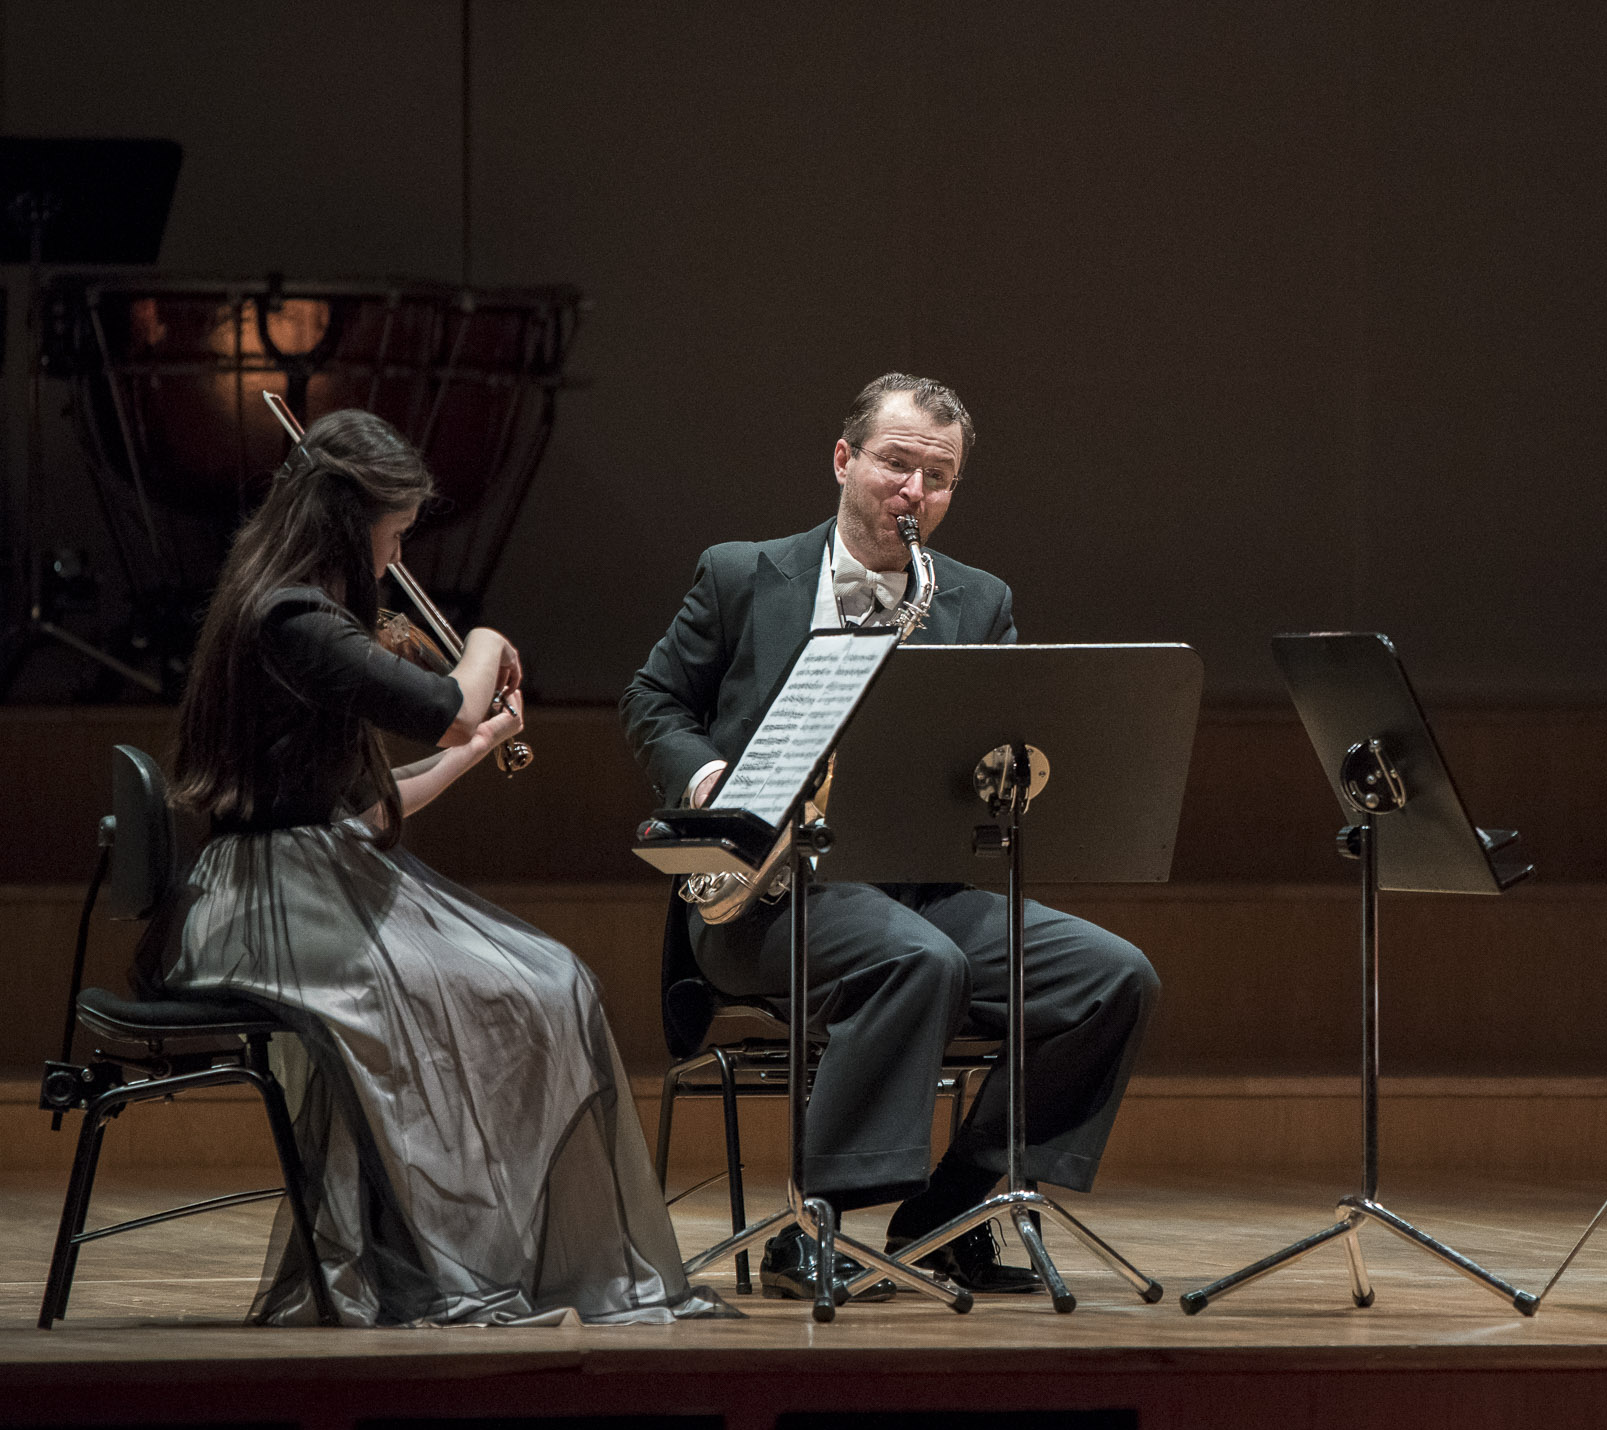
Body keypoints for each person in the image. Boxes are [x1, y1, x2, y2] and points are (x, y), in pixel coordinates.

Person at [154, 408, 727, 1326]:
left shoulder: (298, 612)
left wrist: (480, 743)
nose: (395, 554)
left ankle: (478, 1247)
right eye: (397, 531)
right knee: (514, 996)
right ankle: (446, 1253)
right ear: (353, 520)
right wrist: (488, 642)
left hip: (308, 875)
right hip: (271, 905)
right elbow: (446, 706)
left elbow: (371, 807)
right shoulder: (293, 616)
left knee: (552, 980)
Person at [621, 373, 1160, 1300]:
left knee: (1112, 979)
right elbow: (653, 700)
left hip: (919, 890)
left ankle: (947, 1216)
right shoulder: (743, 572)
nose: (915, 493)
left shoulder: (978, 602)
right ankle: (811, 1226)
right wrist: (710, 778)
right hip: (762, 895)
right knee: (920, 963)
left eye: (938, 479)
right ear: (845, 460)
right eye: (896, 465)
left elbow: (988, 763)